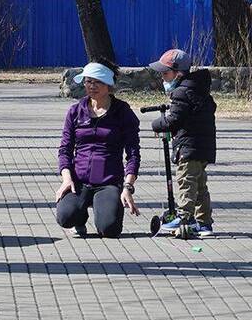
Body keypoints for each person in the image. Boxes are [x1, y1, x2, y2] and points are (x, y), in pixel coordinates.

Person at [56, 61, 141, 238]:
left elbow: (133, 154)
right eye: (88, 81)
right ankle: (79, 217)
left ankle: (105, 208)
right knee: (65, 217)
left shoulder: (122, 112)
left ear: (109, 85)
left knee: (109, 229)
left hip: (108, 182)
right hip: (79, 180)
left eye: (97, 82)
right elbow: (65, 149)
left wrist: (127, 187)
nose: (91, 86)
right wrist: (66, 179)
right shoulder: (75, 111)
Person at [149, 49, 216, 237]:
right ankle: (204, 223)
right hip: (202, 147)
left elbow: (174, 120)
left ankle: (184, 217)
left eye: (165, 73)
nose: (162, 77)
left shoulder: (181, 92)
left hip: (189, 147)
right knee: (200, 186)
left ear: (178, 73)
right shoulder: (198, 89)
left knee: (186, 182)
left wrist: (156, 124)